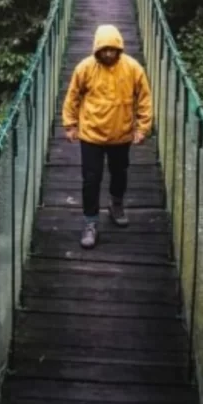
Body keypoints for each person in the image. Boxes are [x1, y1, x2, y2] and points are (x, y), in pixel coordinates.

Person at [61, 24, 153, 249]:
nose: (109, 53)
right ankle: (90, 222)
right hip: (91, 135)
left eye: (113, 49)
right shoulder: (85, 68)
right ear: (97, 49)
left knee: (119, 173)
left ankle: (116, 204)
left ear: (119, 48)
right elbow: (72, 96)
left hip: (121, 134)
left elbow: (144, 99)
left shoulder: (133, 68)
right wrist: (70, 125)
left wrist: (142, 128)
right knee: (91, 180)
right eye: (104, 49)